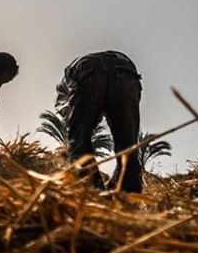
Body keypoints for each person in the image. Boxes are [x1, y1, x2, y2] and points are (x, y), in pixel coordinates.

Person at [55, 51, 143, 193]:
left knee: (78, 142)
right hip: (125, 71)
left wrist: (77, 125)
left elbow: (70, 116)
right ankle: (127, 198)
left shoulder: (64, 92)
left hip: (88, 70)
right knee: (128, 146)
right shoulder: (108, 99)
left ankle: (93, 194)